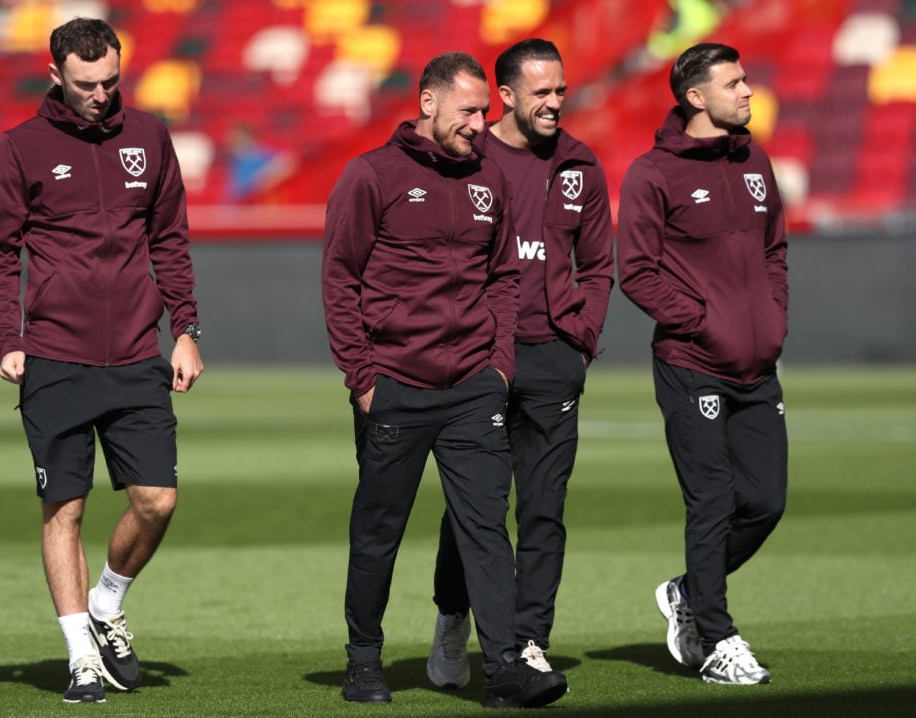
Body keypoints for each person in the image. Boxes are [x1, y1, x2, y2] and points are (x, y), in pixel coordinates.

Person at [322, 51, 568, 709]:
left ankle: (507, 668)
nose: (481, 124)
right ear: (427, 103)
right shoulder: (371, 175)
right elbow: (340, 278)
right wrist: (363, 377)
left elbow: (502, 279)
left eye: (486, 111)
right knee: (380, 531)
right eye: (469, 110)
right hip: (394, 385)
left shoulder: (492, 176)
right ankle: (364, 663)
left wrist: (498, 368)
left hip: (473, 390)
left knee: (487, 528)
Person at [0, 18, 203, 703]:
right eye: (86, 84)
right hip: (55, 358)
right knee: (63, 510)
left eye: (110, 81)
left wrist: (186, 329)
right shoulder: (20, 149)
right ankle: (80, 653)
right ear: (55, 77)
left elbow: (170, 239)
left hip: (137, 354)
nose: (101, 94)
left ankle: (108, 601)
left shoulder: (151, 137)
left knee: (157, 501)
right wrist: (7, 338)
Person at [426, 39, 614, 688]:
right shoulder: (469, 159)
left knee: (543, 510)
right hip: (479, 360)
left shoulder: (580, 164)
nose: (556, 103)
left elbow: (597, 265)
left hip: (553, 361)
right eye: (542, 92)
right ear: (505, 96)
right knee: (474, 511)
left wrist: (581, 341)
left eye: (561, 90)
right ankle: (453, 616)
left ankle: (530, 641)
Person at [616, 42, 788, 685]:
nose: (747, 91)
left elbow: (775, 251)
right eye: (734, 82)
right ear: (695, 96)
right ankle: (717, 637)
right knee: (712, 499)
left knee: (766, 501)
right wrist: (704, 322)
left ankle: (687, 591)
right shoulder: (652, 174)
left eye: (747, 79)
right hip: (692, 363)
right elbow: (635, 272)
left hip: (758, 366)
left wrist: (772, 319)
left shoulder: (756, 161)